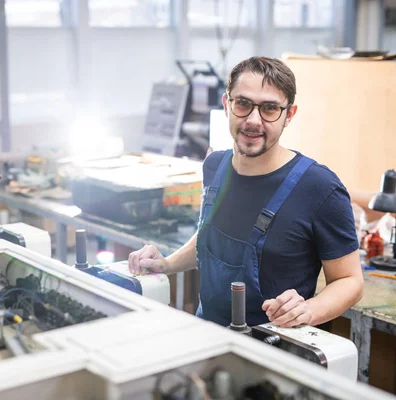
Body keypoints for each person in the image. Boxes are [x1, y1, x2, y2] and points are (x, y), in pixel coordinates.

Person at [128, 57, 364, 329]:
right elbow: (210, 237)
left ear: (289, 114)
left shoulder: (319, 188)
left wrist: (308, 310)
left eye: (270, 108)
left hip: (279, 348)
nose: (254, 120)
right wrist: (167, 264)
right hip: (209, 334)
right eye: (243, 104)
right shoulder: (215, 166)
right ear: (227, 105)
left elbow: (350, 281)